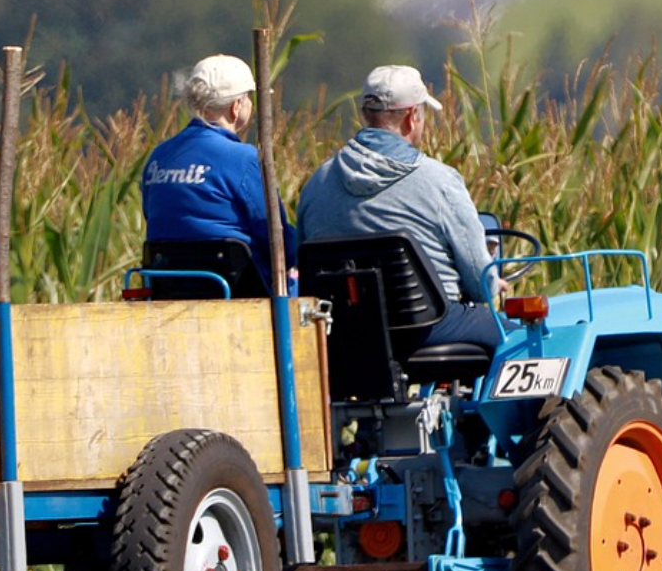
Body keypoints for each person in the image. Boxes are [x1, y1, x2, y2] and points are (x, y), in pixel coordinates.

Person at [296, 64, 501, 350]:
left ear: (365, 114)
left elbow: (301, 261)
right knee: (520, 337)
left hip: (346, 334)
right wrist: (493, 284)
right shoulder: (440, 180)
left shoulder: (317, 183)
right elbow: (481, 286)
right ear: (411, 116)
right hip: (428, 327)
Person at [141, 53, 296, 292]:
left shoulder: (159, 156)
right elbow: (276, 238)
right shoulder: (244, 159)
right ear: (236, 107)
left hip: (168, 288)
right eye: (248, 98)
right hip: (237, 290)